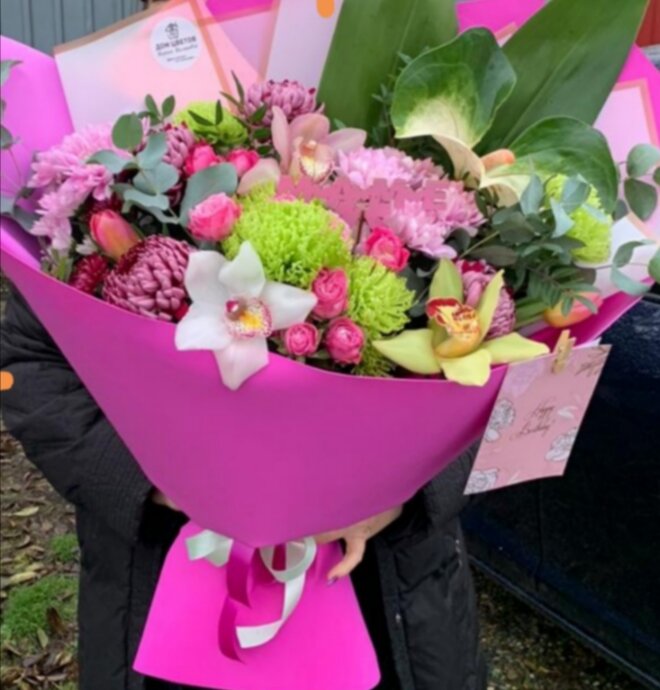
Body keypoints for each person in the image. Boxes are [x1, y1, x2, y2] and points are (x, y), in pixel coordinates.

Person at [1, 289, 487, 690]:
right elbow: (28, 366)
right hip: (163, 572)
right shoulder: (101, 208)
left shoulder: (458, 214)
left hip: (389, 587)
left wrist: (406, 491)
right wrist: (154, 478)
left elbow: (510, 402)